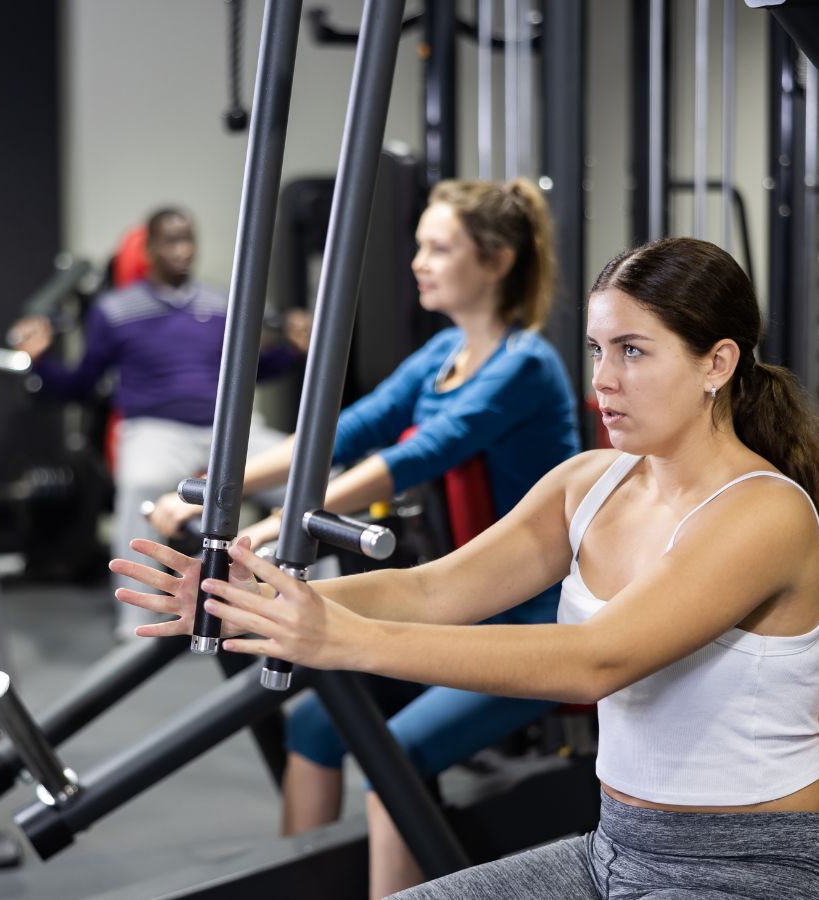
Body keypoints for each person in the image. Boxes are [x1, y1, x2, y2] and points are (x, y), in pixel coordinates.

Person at [117, 236, 819, 899]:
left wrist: (338, 640)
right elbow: (436, 587)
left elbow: (594, 661)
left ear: (716, 363)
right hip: (612, 850)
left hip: (753, 871)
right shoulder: (589, 482)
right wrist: (260, 594)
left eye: (633, 350)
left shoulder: (761, 512)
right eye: (597, 349)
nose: (604, 379)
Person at [146, 179, 581, 896]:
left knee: (393, 755)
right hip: (462, 606)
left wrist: (268, 528)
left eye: (440, 247)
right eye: (419, 246)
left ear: (497, 261)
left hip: (534, 619)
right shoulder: (445, 354)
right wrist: (217, 487)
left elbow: (412, 457)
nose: (419, 261)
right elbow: (346, 430)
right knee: (314, 728)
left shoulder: (524, 366)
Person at [9, 207, 307, 640]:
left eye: (188, 239)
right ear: (148, 249)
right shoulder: (115, 310)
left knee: (314, 480)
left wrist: (295, 350)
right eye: (170, 241)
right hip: (155, 429)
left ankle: (318, 603)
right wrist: (42, 362)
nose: (182, 250)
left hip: (228, 430)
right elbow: (83, 383)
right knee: (140, 485)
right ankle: (135, 624)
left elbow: (252, 371)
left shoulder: (224, 302)